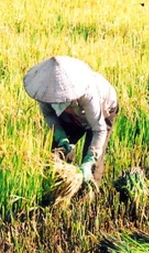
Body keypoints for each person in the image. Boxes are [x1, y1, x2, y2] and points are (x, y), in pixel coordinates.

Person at [23, 55, 119, 185]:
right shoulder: (44, 91)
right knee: (58, 155)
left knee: (92, 166)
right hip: (71, 116)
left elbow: (99, 129)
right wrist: (61, 136)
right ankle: (60, 190)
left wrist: (90, 158)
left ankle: (87, 195)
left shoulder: (88, 94)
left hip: (102, 111)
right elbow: (49, 115)